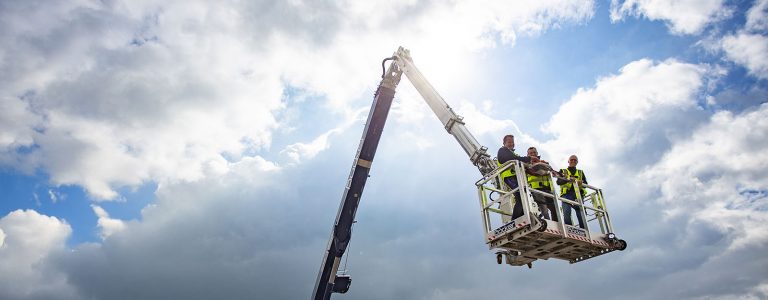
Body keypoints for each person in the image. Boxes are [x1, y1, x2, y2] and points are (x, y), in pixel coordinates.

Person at [497, 134, 530, 220]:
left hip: (517, 178)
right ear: (504, 143)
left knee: (524, 198)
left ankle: (522, 218)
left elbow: (517, 159)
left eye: (512, 142)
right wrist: (527, 159)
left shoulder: (514, 154)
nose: (511, 143)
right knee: (520, 196)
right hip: (509, 177)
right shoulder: (502, 150)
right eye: (509, 142)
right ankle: (515, 220)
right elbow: (505, 159)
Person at [526, 147, 558, 221]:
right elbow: (533, 172)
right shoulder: (527, 164)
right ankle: (548, 224)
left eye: (534, 152)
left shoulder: (545, 163)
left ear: (537, 153)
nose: (533, 154)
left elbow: (553, 173)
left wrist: (545, 165)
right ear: (528, 155)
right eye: (530, 153)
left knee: (554, 209)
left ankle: (556, 224)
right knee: (544, 210)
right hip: (536, 189)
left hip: (547, 189)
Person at [557, 155, 587, 229]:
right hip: (566, 194)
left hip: (578, 195)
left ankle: (584, 229)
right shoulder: (562, 171)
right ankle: (569, 228)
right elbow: (558, 182)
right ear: (568, 161)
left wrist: (581, 182)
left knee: (581, 214)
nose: (573, 161)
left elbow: (585, 185)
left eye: (575, 160)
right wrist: (568, 179)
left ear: (577, 162)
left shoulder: (580, 172)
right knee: (566, 212)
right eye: (571, 160)